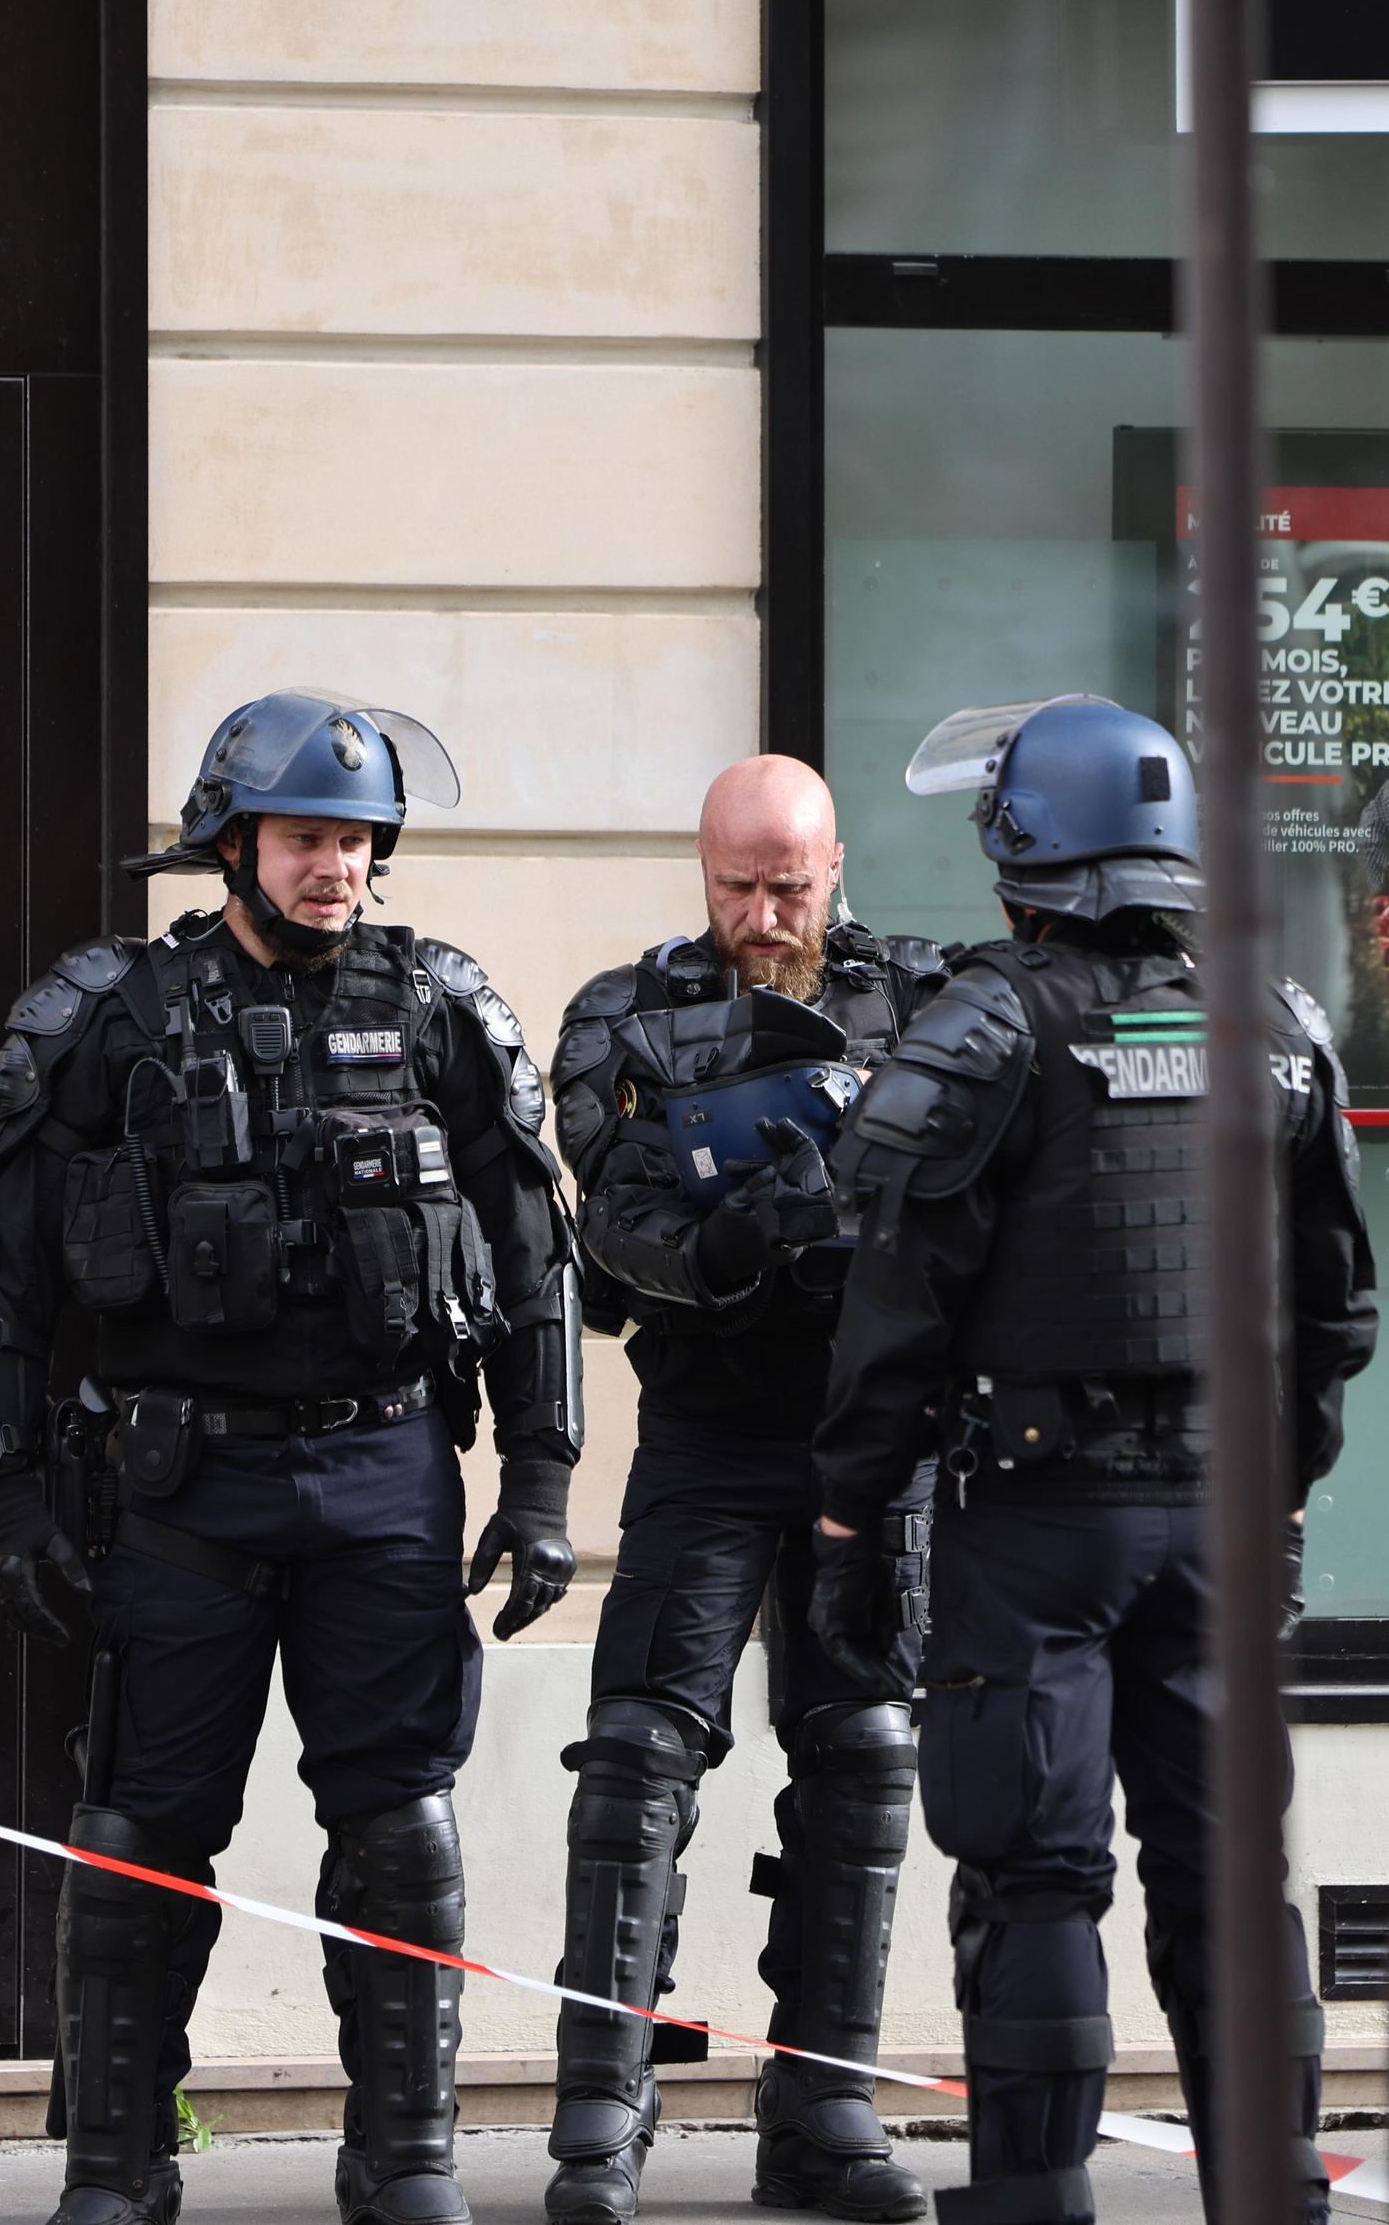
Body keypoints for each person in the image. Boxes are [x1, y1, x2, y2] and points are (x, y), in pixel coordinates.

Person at [0, 691, 582, 2225]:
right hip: (185, 1491)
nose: (337, 867)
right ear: (231, 845)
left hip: (386, 1479)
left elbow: (532, 1252)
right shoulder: (112, 1015)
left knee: (398, 1824)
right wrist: (7, 1492)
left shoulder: (439, 1007)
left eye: (358, 840)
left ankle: (406, 2161)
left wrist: (541, 1479)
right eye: (306, 838)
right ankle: (117, 2167)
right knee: (141, 1836)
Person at [811, 696, 1376, 2225]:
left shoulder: (989, 1024)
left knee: (1037, 1876)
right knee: (1227, 1876)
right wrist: (1287, 1480)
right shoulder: (1278, 1021)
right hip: (1220, 1518)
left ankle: (1038, 2199)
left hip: (1040, 1525)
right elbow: (1335, 1301)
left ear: (1019, 856)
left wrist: (851, 1517)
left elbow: (896, 1308)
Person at [544, 755, 944, 2223]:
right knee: (640, 1750)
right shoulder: (627, 1012)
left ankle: (822, 2105)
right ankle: (603, 2107)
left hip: (873, 1434)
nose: (764, 915)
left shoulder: (928, 999)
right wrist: (727, 1240)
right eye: (737, 887)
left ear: (836, 868)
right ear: (701, 874)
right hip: (711, 1429)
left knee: (864, 1754)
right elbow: (611, 1212)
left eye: (788, 886)